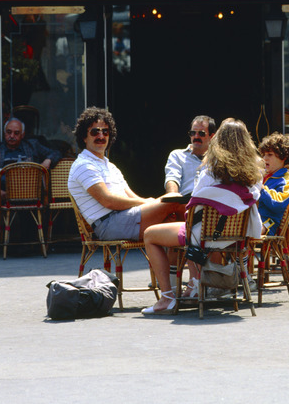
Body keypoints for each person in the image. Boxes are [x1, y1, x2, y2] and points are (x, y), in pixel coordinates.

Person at [141, 118, 264, 315]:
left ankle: (167, 298)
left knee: (150, 234)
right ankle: (197, 283)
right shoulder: (256, 173)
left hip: (205, 235)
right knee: (194, 233)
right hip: (238, 236)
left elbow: (194, 205)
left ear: (218, 140)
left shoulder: (209, 170)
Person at [67, 106, 182, 243]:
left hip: (124, 217)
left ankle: (177, 260)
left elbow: (131, 196)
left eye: (105, 131)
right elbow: (108, 200)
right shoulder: (84, 165)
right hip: (108, 224)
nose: (101, 136)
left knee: (173, 215)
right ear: (84, 137)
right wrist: (149, 202)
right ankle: (201, 246)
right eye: (95, 132)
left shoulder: (110, 166)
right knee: (174, 200)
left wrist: (152, 204)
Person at [0, 117, 62, 256]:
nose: (12, 136)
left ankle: (26, 245)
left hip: (27, 191)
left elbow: (56, 152)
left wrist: (48, 160)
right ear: (4, 133)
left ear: (23, 135)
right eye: (9, 132)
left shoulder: (33, 145)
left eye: (16, 133)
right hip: (2, 190)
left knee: (32, 204)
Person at [257, 132, 289, 236]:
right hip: (252, 216)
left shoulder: (288, 180)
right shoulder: (263, 175)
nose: (265, 158)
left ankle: (247, 251)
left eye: (270, 155)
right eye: (264, 154)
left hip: (269, 222)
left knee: (249, 231)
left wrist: (261, 188)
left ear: (283, 157)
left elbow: (278, 204)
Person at [164, 115, 217, 195]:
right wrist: (173, 198)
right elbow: (172, 179)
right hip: (184, 203)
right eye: (193, 133)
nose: (196, 136)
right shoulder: (177, 155)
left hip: (210, 203)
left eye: (201, 133)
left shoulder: (218, 158)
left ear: (212, 136)